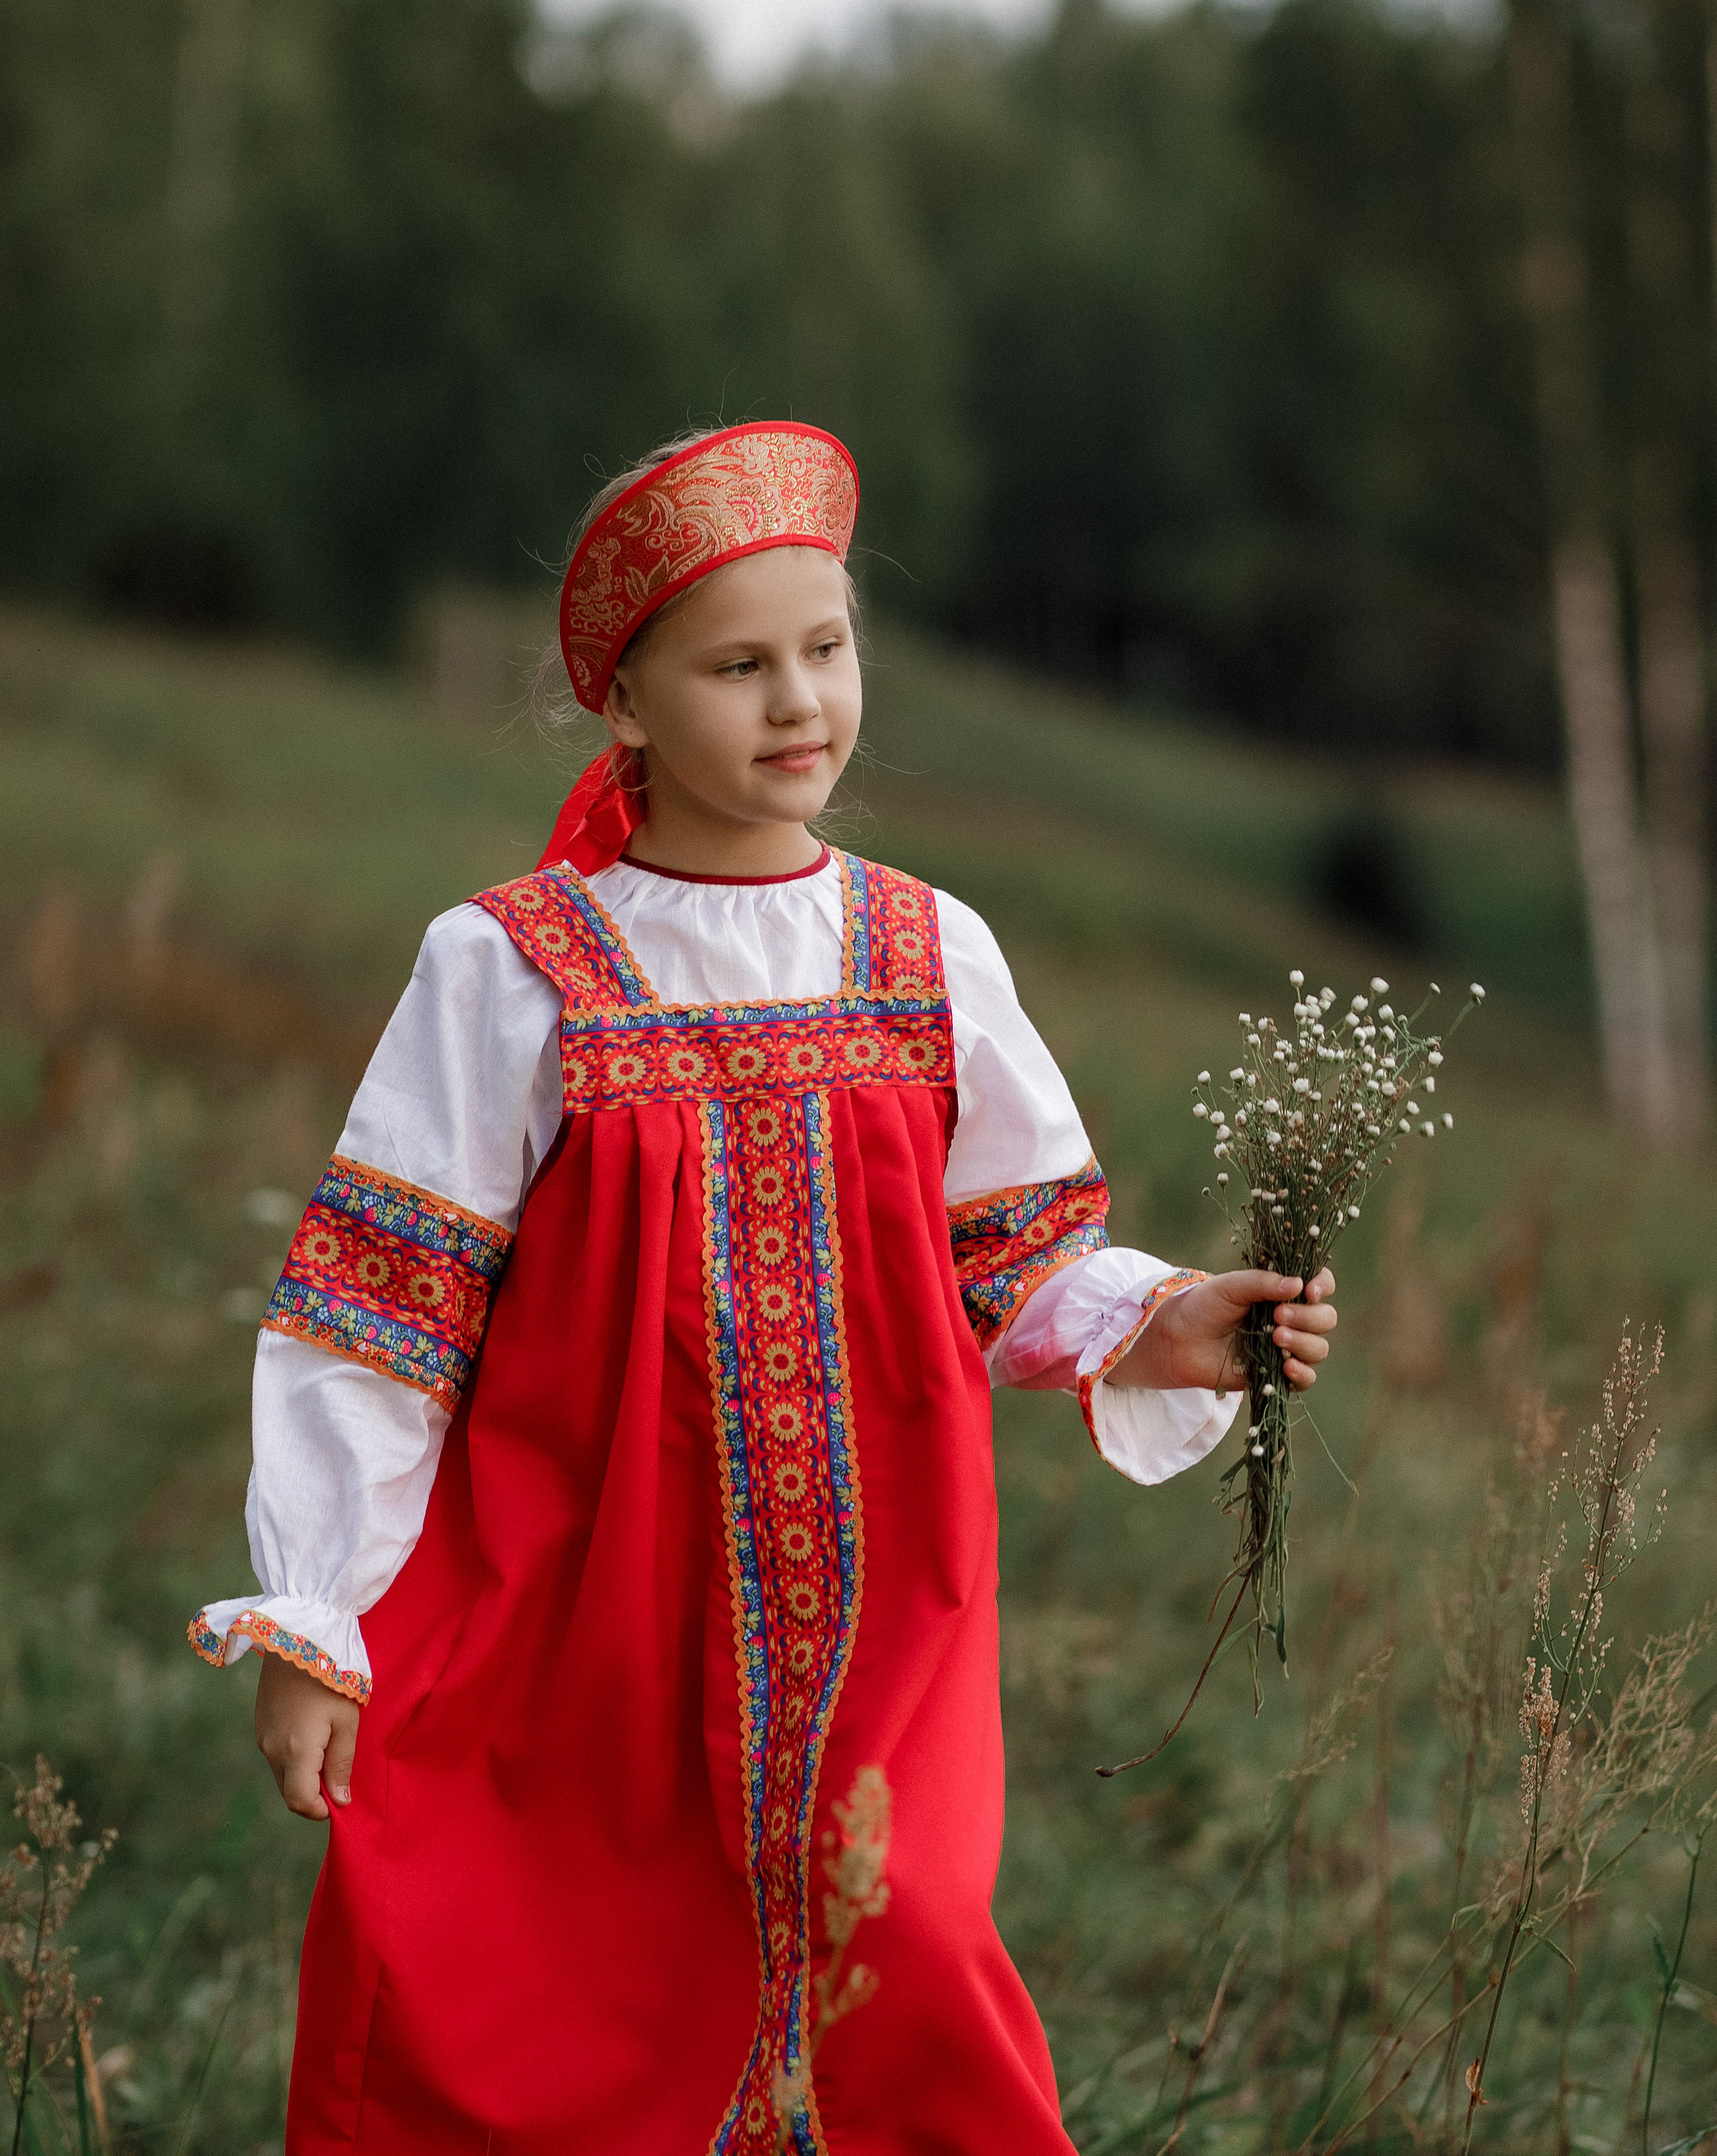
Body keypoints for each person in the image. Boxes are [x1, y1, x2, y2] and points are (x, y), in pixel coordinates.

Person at [190, 421, 1338, 2154]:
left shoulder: (922, 949)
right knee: (542, 1985)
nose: (798, 701)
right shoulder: (510, 967)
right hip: (578, 1600)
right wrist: (321, 1624)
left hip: (886, 1604)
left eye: (826, 648)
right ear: (630, 705)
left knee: (907, 1944)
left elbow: (1006, 1259)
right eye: (738, 665)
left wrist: (1168, 1321)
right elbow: (383, 1307)